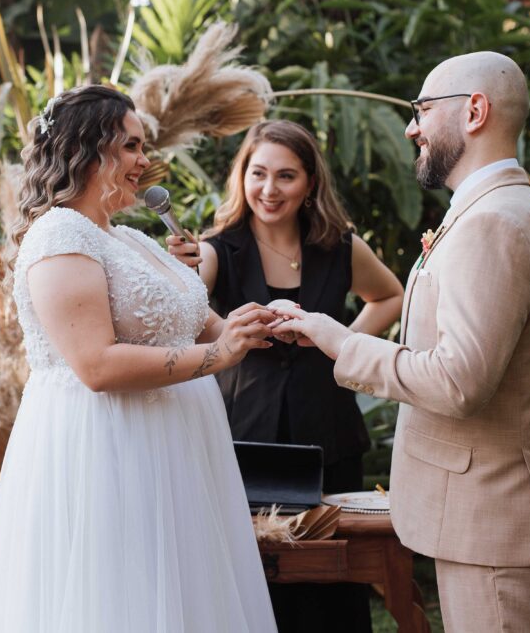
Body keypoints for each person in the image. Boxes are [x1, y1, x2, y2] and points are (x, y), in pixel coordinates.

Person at [270, 52, 530, 632]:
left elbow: (457, 382)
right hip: (484, 518)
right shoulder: (492, 211)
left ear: (475, 112)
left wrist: (340, 341)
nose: (411, 128)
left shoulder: (492, 222)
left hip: (498, 523)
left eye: (422, 110)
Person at [0, 85, 279, 633]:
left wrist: (262, 326)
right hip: (108, 450)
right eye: (131, 146)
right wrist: (218, 355)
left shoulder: (129, 237)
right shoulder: (59, 236)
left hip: (174, 452)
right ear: (84, 150)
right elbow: (97, 366)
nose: (144, 161)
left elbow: (204, 325)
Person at [167, 119, 404, 632]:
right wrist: (181, 273)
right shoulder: (217, 248)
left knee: (334, 584)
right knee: (255, 576)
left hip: (329, 433)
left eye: (286, 176)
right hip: (244, 436)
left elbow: (390, 295)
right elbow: (186, 306)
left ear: (310, 182)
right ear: (242, 177)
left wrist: (342, 344)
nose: (269, 190)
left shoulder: (340, 247)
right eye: (258, 173)